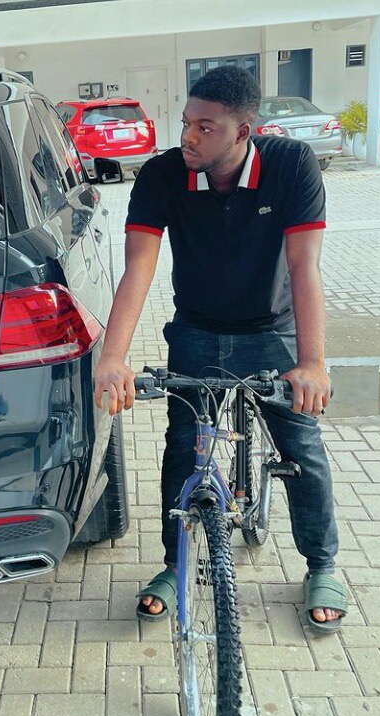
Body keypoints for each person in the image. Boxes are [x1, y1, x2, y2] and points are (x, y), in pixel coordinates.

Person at [93, 65, 347, 635]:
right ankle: (174, 563)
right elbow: (139, 267)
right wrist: (113, 357)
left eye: (205, 127)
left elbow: (306, 267)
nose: (188, 137)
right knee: (183, 447)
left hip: (272, 329)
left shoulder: (290, 167)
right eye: (186, 122)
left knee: (300, 443)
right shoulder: (162, 175)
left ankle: (322, 565)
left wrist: (312, 363)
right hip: (197, 327)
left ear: (244, 130)